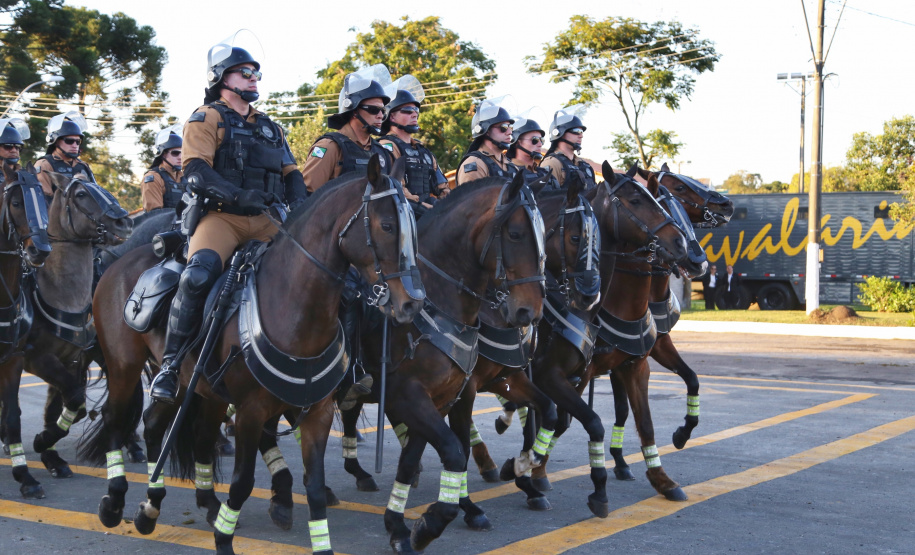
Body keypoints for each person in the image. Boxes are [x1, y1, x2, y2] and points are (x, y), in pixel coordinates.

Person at [148, 43, 307, 403]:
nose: (253, 78)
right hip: (221, 218)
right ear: (220, 77)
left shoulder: (271, 127)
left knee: (316, 268)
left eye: (256, 73)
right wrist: (238, 195)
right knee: (197, 276)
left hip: (267, 220)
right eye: (245, 72)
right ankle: (170, 366)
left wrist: (300, 205)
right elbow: (195, 170)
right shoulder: (206, 117)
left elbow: (292, 173)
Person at [301, 64, 393, 193]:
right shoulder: (330, 147)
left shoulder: (382, 152)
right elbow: (307, 195)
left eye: (383, 111)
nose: (380, 116)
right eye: (373, 110)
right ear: (354, 111)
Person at [378, 75, 448, 218]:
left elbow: (442, 187)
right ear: (391, 116)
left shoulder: (424, 151)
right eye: (408, 110)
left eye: (416, 110)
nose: (414, 114)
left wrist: (451, 203)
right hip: (401, 214)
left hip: (426, 211)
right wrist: (428, 207)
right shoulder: (387, 146)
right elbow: (397, 189)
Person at [455, 98, 516, 186]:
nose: (509, 132)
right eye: (504, 127)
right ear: (486, 130)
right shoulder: (476, 164)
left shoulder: (511, 166)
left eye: (510, 127)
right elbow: (472, 195)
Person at [34, 111, 94, 196]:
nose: (75, 145)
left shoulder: (83, 166)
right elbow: (43, 199)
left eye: (78, 142)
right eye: (69, 141)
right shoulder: (44, 165)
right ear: (55, 141)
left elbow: (95, 195)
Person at [540, 107, 597, 190]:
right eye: (577, 131)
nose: (581, 136)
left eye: (581, 132)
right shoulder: (552, 163)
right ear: (559, 133)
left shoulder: (585, 166)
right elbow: (546, 196)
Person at [507, 113, 558, 192]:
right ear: (518, 142)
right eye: (535, 140)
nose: (540, 144)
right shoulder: (508, 172)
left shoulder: (545, 173)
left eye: (541, 140)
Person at [141, 125, 184, 212]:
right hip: (164, 220)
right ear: (162, 154)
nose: (180, 157)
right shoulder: (153, 178)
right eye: (175, 153)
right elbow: (155, 214)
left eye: (182, 153)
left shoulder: (184, 176)